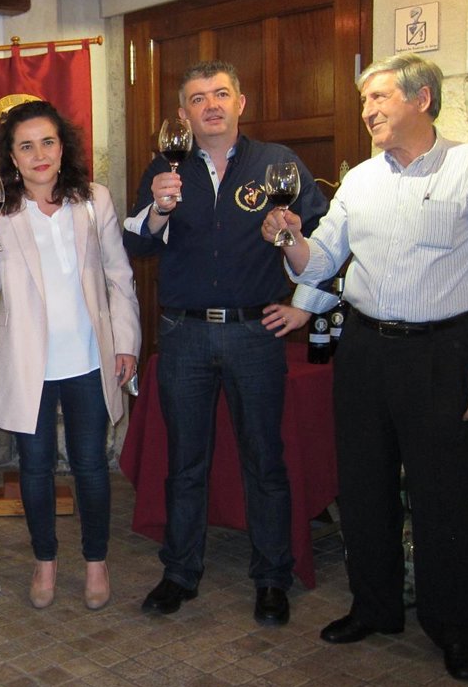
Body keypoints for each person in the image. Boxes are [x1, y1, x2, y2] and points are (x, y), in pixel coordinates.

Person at [268, 53, 468, 682]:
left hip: (443, 351)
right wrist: (290, 237)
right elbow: (321, 262)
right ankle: (374, 607)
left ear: (421, 98)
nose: (367, 110)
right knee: (363, 486)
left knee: (444, 495)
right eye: (364, 101)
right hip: (365, 348)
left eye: (378, 98)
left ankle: (454, 628)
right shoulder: (360, 181)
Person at [123, 59, 328, 626]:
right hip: (184, 333)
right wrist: (158, 210)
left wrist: (305, 306)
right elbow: (135, 244)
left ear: (241, 103)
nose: (210, 105)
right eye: (197, 98)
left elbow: (326, 240)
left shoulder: (277, 164)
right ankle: (179, 573)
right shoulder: (165, 169)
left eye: (220, 94)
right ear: (183, 114)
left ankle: (272, 577)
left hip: (253, 333)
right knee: (185, 461)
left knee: (265, 459)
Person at [0, 101, 140, 610]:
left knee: (90, 465)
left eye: (47, 142)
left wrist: (126, 342)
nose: (39, 154)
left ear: (63, 148)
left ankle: (96, 561)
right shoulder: (0, 213)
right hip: (30, 364)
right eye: (26, 146)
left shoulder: (94, 201)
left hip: (88, 357)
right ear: (12, 157)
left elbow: (119, 276)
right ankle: (44, 561)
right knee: (36, 467)